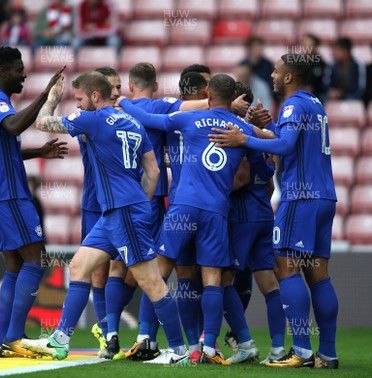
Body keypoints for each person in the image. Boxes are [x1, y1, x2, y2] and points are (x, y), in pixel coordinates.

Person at [20, 71, 190, 365]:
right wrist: (140, 202)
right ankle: (60, 340)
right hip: (118, 211)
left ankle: (178, 351)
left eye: (80, 99)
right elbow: (154, 172)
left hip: (123, 211)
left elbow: (42, 122)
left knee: (152, 283)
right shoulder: (134, 123)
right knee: (79, 266)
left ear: (95, 97)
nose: (79, 105)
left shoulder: (94, 119)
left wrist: (52, 98)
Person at [118, 74, 262, 365]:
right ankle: (208, 347)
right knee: (214, 279)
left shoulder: (189, 119)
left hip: (182, 207)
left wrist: (121, 100)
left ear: (208, 92)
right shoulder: (243, 129)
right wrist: (262, 133)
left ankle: (158, 342)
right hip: (218, 210)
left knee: (158, 273)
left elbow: (145, 117)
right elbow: (273, 157)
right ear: (232, 95)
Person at [209, 54, 339, 369]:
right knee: (318, 276)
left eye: (277, 70)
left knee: (286, 268)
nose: (272, 73)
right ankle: (328, 354)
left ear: (290, 77)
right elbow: (291, 139)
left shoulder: (294, 104)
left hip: (300, 197)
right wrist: (271, 126)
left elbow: (285, 147)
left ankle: (302, 352)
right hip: (325, 198)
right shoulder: (315, 104)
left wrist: (245, 139)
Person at [0, 46, 66, 358]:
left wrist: (38, 153)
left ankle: (2, 341)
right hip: (8, 194)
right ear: (2, 72)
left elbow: (3, 148)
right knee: (36, 258)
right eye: (17, 69)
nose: (23, 74)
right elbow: (14, 127)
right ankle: (15, 338)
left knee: (15, 264)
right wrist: (44, 95)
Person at [222, 82, 286, 365]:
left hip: (243, 217)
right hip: (263, 214)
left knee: (220, 281)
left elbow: (241, 177)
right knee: (269, 284)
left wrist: (211, 190)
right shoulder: (263, 137)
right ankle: (278, 349)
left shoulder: (239, 134)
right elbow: (271, 186)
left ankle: (244, 342)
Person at [83, 66, 123, 359]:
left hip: (121, 203)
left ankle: (115, 333)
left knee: (124, 269)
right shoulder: (90, 121)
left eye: (120, 87)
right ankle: (107, 334)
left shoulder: (125, 118)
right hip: (95, 203)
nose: (118, 93)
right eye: (112, 87)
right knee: (99, 272)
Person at [302, 33, 327, 100]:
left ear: (315, 46)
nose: (307, 48)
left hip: (317, 94)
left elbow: (324, 83)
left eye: (309, 45)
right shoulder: (298, 63)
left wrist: (313, 88)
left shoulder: (321, 64)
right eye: (305, 45)